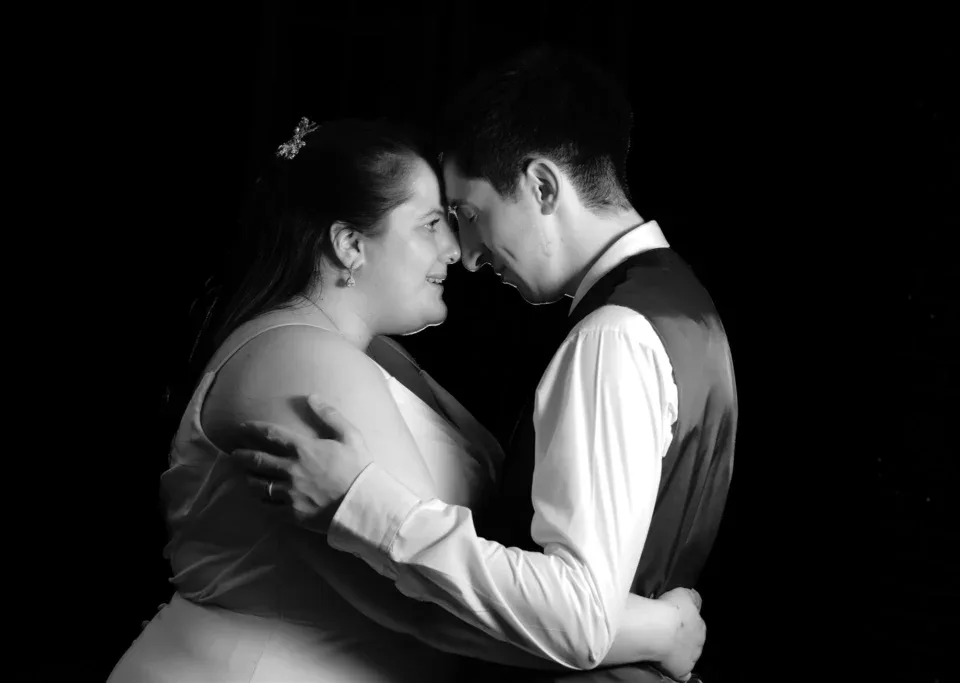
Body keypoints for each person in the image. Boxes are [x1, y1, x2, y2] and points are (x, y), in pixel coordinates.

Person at [107, 116, 705, 683]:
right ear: (350, 245)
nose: (456, 249)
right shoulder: (299, 365)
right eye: (429, 224)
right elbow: (421, 605)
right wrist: (656, 631)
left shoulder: (365, 352)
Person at [234, 46, 737, 682]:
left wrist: (359, 503)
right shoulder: (686, 309)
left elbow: (579, 617)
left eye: (469, 216)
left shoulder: (613, 334)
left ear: (542, 186)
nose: (468, 257)